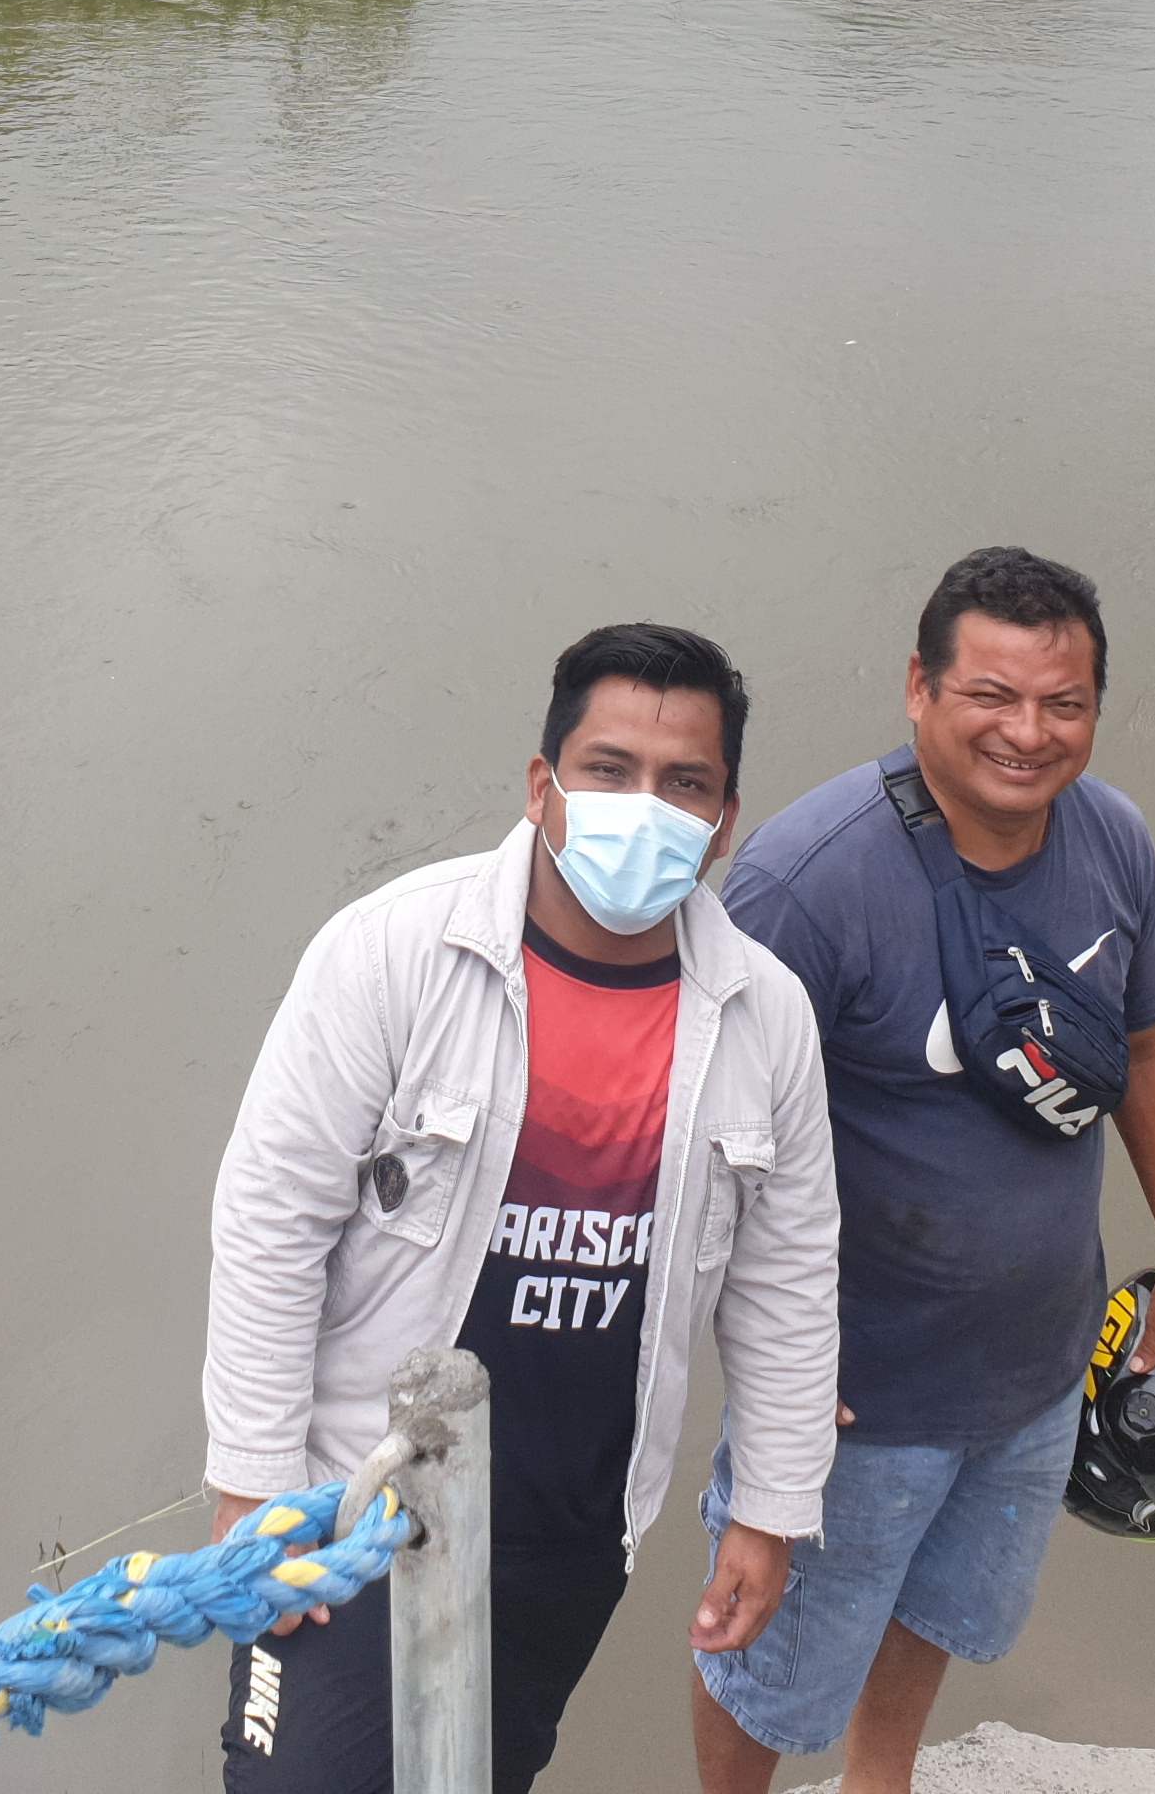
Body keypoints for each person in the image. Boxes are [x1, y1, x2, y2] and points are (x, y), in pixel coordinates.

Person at [203, 621, 841, 1794]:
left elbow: (787, 1281)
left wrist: (769, 1509)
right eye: (609, 770)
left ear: (724, 822)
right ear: (542, 786)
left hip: (574, 1529)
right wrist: (255, 1491)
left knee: (482, 1777)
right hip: (355, 1503)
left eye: (684, 783)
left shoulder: (767, 1016)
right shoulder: (392, 954)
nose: (644, 807)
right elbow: (270, 1223)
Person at [691, 548, 1155, 1794]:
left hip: (1038, 1366)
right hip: (859, 1394)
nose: (1028, 735)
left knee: (938, 1606)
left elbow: (1153, 1053)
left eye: (1062, 703)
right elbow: (702, 1148)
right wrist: (770, 1374)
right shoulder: (805, 885)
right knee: (764, 1655)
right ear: (919, 689)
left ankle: (882, 1782)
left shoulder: (1112, 840)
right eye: (990, 695)